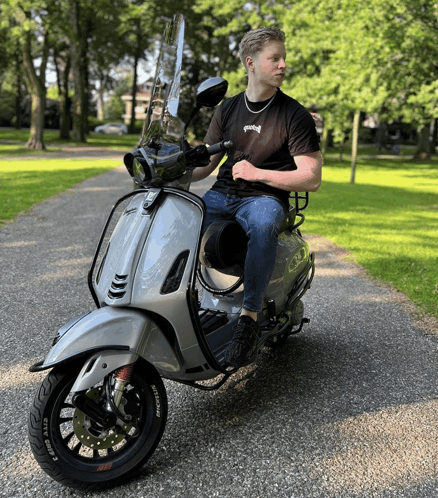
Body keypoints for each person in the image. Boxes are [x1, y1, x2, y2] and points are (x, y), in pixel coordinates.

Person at [192, 27, 322, 368]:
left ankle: (248, 320)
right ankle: (182, 301)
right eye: (274, 58)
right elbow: (206, 165)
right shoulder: (228, 109)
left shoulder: (293, 114)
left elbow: (311, 177)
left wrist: (258, 174)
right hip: (222, 193)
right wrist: (171, 171)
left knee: (263, 225)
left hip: (265, 197)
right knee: (180, 219)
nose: (283, 65)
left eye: (283, 58)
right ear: (251, 63)